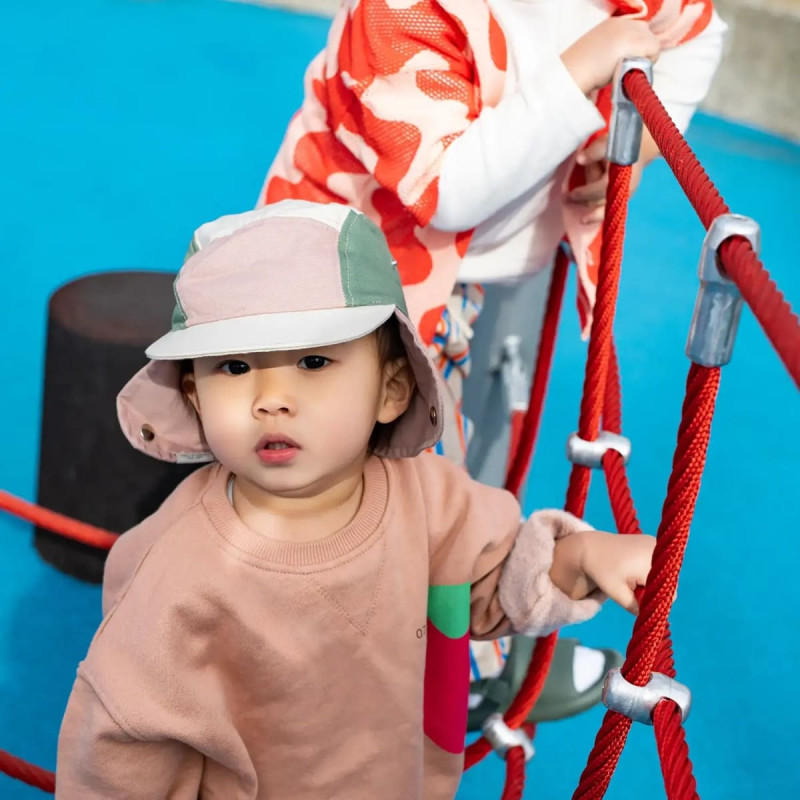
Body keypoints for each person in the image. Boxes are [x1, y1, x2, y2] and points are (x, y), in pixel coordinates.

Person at [56, 200, 657, 799]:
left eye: (314, 360)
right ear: (194, 396)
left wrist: (579, 558)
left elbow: (494, 581)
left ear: (391, 389)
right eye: (235, 366)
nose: (271, 398)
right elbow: (121, 750)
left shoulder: (428, 496)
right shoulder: (179, 574)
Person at [258, 0, 726, 721]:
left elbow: (697, 33)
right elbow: (446, 190)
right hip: (353, 282)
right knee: (382, 485)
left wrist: (646, 145)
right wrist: (579, 70)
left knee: (461, 464)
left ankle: (458, 649)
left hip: (478, 274)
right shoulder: (401, 13)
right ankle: (391, 663)